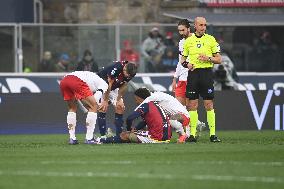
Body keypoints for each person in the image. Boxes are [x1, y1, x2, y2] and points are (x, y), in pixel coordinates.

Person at [181, 17, 222, 143]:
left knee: (208, 104)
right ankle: (192, 135)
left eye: (205, 25)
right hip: (193, 74)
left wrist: (208, 58)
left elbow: (219, 59)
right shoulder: (188, 41)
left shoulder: (210, 39)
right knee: (192, 105)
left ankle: (213, 135)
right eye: (201, 25)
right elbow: (182, 60)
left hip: (206, 74)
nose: (203, 27)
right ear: (195, 26)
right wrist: (187, 64)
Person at [98, 88, 172, 144]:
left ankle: (100, 141)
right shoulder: (155, 103)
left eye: (136, 99)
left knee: (124, 135)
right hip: (167, 136)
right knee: (138, 132)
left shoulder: (145, 104)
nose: (136, 101)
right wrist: (136, 128)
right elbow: (145, 122)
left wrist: (129, 129)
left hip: (157, 137)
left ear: (139, 98)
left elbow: (130, 118)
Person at [59, 71, 108, 144]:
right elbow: (95, 99)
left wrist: (88, 108)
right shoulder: (104, 84)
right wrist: (94, 108)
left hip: (64, 80)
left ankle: (72, 139)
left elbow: (81, 99)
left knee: (72, 108)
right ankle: (89, 138)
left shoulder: (91, 76)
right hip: (76, 81)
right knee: (94, 106)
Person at [96, 60, 137, 139]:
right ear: (124, 68)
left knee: (120, 107)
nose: (128, 77)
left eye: (129, 76)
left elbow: (124, 85)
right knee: (103, 107)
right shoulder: (116, 68)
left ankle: (119, 136)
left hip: (114, 87)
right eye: (127, 75)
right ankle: (103, 136)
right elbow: (109, 84)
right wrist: (105, 100)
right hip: (103, 84)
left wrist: (118, 99)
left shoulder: (131, 72)